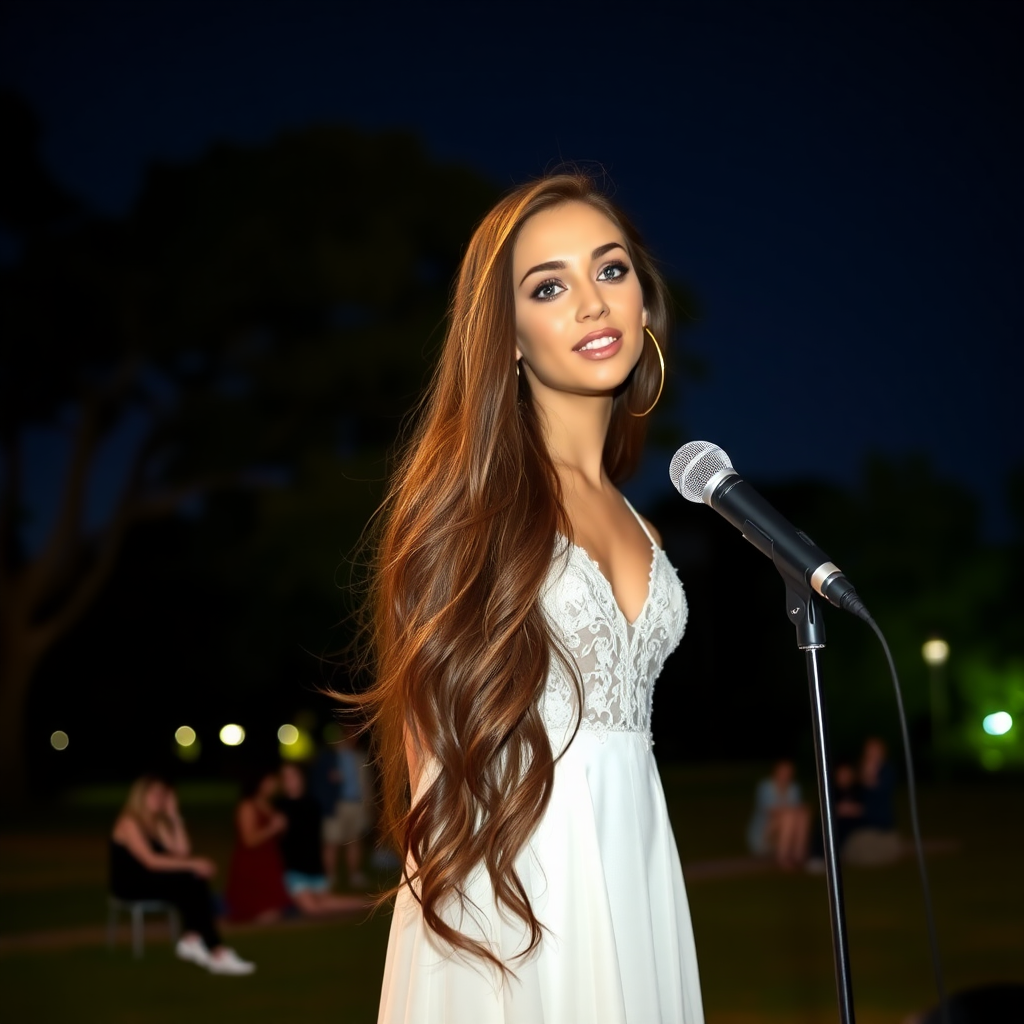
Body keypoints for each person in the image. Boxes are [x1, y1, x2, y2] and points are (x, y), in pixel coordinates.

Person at [351, 174, 704, 1022]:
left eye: (610, 271)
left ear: (645, 302)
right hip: (514, 888)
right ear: (506, 335)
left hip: (638, 863)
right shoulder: (469, 509)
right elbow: (432, 755)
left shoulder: (643, 527)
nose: (592, 303)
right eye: (550, 286)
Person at [110, 776, 254, 975]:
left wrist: (175, 815)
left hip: (152, 880)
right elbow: (150, 861)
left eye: (163, 794)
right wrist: (193, 864)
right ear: (140, 796)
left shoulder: (157, 823)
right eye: (155, 794)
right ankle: (210, 948)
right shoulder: (129, 822)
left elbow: (182, 851)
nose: (160, 799)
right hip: (131, 884)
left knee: (194, 879)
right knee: (191, 879)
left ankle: (199, 942)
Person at [277, 761, 368, 915]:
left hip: (314, 868)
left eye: (293, 775)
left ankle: (369, 903)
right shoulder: (279, 806)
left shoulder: (313, 804)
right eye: (285, 777)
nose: (289, 780)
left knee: (325, 902)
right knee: (311, 908)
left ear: (302, 777)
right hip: (292, 870)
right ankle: (369, 903)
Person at [224, 768, 292, 923]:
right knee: (261, 912)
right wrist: (272, 828)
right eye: (269, 781)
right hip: (252, 865)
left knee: (274, 911)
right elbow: (249, 840)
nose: (273, 785)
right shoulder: (247, 806)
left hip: (268, 863)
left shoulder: (269, 805)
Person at [313, 722, 372, 890]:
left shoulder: (360, 757)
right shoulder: (329, 756)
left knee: (354, 841)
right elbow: (316, 781)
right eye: (349, 732)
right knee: (331, 842)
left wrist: (369, 807)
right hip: (336, 805)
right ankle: (330, 877)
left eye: (355, 733)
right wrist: (328, 780)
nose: (352, 736)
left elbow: (367, 784)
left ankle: (355, 875)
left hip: (357, 805)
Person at [746, 759, 812, 868]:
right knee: (788, 816)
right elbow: (771, 811)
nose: (785, 775)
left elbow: (797, 809)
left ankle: (798, 855)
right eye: (782, 771)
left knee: (803, 815)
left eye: (788, 772)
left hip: (786, 830)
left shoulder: (794, 788)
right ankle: (782, 858)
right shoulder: (765, 787)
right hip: (764, 833)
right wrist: (792, 810)